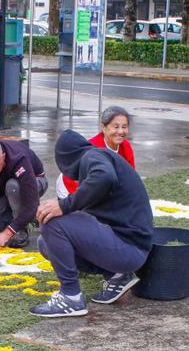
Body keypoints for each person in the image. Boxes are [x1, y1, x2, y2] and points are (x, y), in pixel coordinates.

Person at [31, 130, 153, 318]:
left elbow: (104, 176)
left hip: (129, 249)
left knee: (52, 221)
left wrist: (64, 206)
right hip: (129, 250)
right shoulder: (98, 158)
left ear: (66, 159)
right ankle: (117, 276)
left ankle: (70, 297)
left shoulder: (92, 156)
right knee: (45, 243)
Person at [59, 106, 136, 197]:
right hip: (71, 186)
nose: (120, 131)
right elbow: (80, 184)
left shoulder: (126, 146)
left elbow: (131, 177)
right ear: (103, 127)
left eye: (124, 127)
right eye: (115, 127)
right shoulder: (92, 149)